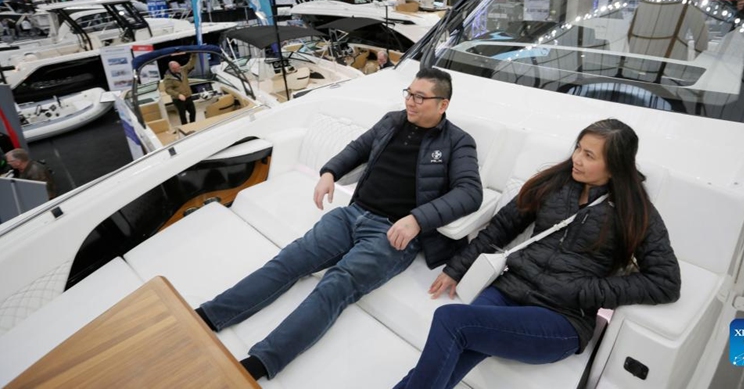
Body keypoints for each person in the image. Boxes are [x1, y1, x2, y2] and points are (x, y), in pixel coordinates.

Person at [196, 67, 483, 381]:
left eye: (420, 97)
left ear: (443, 105)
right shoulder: (392, 120)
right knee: (290, 259)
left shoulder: (459, 142)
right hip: (352, 214)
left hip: (392, 232)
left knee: (336, 284)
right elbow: (358, 148)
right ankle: (209, 316)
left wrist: (417, 219)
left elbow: (470, 193)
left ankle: (261, 362)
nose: (410, 102)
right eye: (408, 94)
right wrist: (329, 173)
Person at [394, 119, 681, 389]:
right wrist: (457, 268)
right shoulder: (554, 183)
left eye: (589, 155)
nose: (577, 159)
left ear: (615, 166)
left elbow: (665, 281)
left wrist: (586, 290)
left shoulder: (635, 211)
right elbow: (502, 227)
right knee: (457, 343)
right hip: (508, 290)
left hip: (562, 317)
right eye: (578, 148)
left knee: (451, 321)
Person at [163, 53, 197, 125]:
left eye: (179, 66)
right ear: (172, 69)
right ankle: (185, 127)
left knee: (193, 112)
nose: (179, 68)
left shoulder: (182, 70)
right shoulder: (168, 78)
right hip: (178, 100)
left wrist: (193, 55)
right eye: (177, 68)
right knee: (183, 115)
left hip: (188, 96)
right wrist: (178, 95)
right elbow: (168, 89)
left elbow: (190, 64)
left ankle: (193, 124)